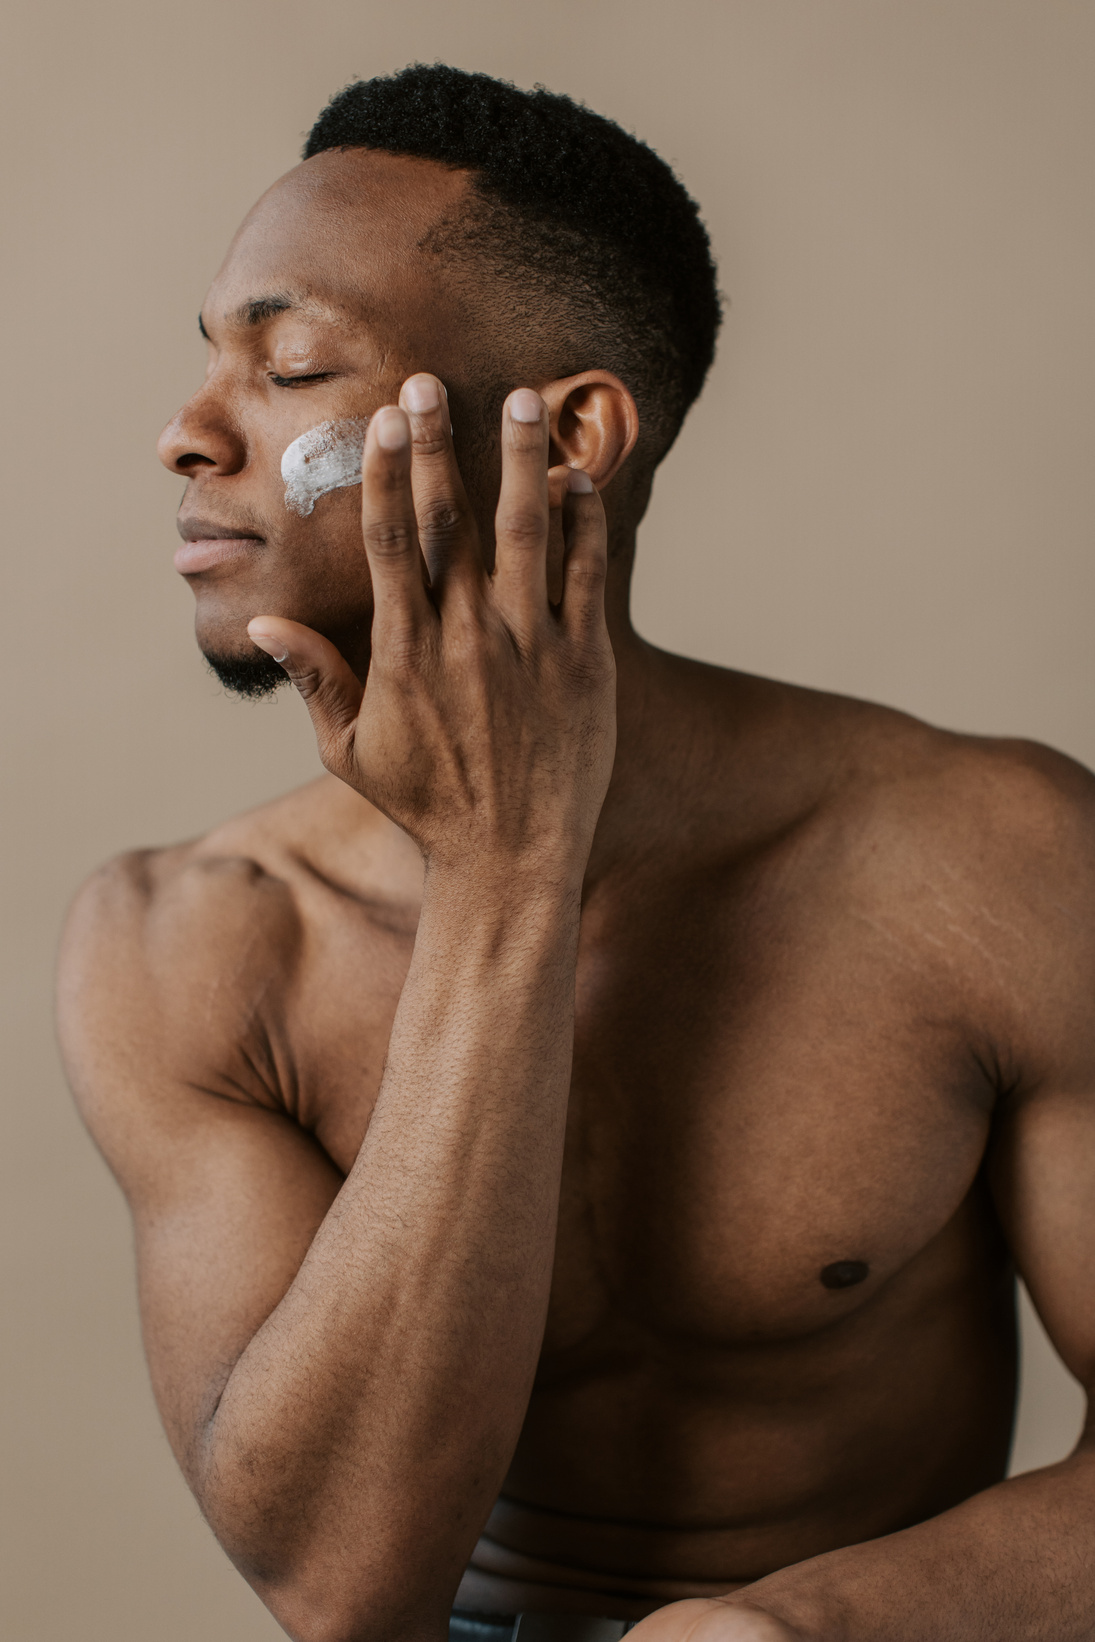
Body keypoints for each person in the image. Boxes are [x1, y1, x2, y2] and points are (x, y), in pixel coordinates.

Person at [57, 63, 1095, 1642]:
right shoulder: (187, 946)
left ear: (574, 437)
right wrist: (503, 875)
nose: (185, 439)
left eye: (292, 367)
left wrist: (799, 1631)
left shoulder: (998, 860)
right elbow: (343, 1589)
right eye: (206, 360)